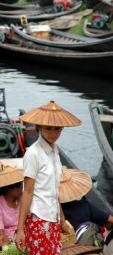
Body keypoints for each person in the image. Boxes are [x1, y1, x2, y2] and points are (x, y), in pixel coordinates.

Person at [15, 100, 82, 255]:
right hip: (38, 219)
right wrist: (20, 230)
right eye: (48, 128)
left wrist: (62, 220)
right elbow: (27, 192)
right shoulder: (33, 154)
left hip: (52, 218)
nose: (53, 133)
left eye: (57, 129)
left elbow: (54, 190)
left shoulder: (55, 151)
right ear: (39, 128)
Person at [59, 167, 113, 243]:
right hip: (86, 244)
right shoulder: (84, 205)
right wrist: (105, 232)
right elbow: (111, 220)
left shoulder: (51, 211)